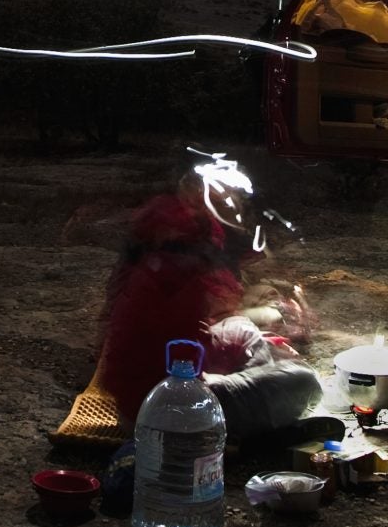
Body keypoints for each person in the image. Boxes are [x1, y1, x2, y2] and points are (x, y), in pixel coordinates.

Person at [91, 156, 323, 437]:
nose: (234, 201)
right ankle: (255, 417)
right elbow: (183, 360)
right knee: (304, 380)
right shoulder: (182, 257)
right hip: (167, 408)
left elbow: (190, 326)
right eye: (226, 194)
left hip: (149, 379)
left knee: (243, 329)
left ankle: (260, 381)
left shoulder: (161, 235)